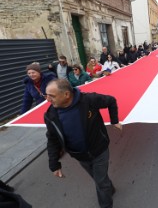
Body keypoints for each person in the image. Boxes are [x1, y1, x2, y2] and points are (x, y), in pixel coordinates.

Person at [44, 79, 122, 208]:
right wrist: (54, 163)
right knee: (98, 179)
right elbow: (52, 139)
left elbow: (111, 101)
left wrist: (114, 121)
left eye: (51, 96)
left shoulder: (89, 100)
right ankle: (110, 189)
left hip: (99, 151)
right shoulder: (50, 115)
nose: (48, 100)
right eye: (46, 95)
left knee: (100, 182)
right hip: (80, 156)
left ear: (66, 95)